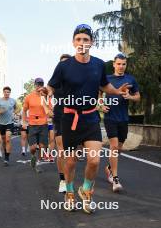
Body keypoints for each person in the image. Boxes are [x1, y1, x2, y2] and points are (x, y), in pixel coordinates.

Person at [48, 24, 130, 213]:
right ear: (73, 42)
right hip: (70, 119)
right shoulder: (64, 66)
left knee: (94, 161)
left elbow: (104, 85)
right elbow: (52, 86)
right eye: (79, 39)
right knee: (70, 162)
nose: (82, 43)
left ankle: (86, 191)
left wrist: (116, 91)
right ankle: (69, 193)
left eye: (86, 39)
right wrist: (48, 91)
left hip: (91, 117)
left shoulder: (99, 64)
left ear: (91, 42)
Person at [103, 53, 140, 192]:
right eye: (118, 64)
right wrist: (101, 105)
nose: (121, 66)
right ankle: (115, 178)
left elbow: (138, 97)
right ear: (114, 64)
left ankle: (108, 168)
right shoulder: (107, 79)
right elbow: (98, 94)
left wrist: (130, 96)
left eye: (124, 64)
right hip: (110, 118)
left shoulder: (131, 79)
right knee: (113, 146)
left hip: (123, 118)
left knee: (118, 148)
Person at [52, 54, 72, 193]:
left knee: (72, 153)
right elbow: (46, 93)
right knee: (62, 150)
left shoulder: (76, 80)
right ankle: (62, 180)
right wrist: (47, 108)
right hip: (59, 116)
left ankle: (69, 176)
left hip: (74, 118)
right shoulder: (55, 81)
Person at [22, 78, 50, 173]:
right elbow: (24, 111)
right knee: (33, 148)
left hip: (43, 124)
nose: (39, 86)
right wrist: (24, 122)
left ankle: (38, 163)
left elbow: (50, 110)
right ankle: (33, 156)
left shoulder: (46, 97)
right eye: (37, 84)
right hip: (32, 124)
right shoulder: (29, 97)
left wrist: (45, 97)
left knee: (42, 147)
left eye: (41, 84)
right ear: (34, 85)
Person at [0, 86, 17, 166]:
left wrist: (15, 112)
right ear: (3, 92)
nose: (7, 93)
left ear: (10, 93)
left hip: (10, 123)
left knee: (8, 139)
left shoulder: (13, 101)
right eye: (5, 92)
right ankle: (5, 151)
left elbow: (16, 109)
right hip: (1, 124)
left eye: (8, 92)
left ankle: (6, 158)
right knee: (3, 140)